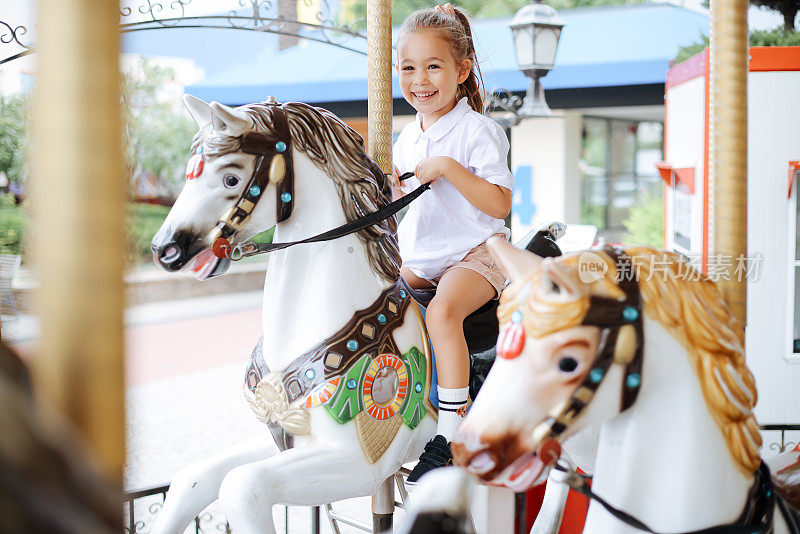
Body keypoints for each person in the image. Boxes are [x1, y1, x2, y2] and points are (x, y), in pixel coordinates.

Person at [392, 3, 513, 483]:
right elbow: (407, 195)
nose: (420, 79)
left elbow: (499, 203)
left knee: (443, 312)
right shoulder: (407, 136)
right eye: (408, 67)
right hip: (425, 252)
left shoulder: (479, 130)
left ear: (462, 71)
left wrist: (449, 168)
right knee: (379, 302)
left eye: (433, 66)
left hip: (477, 250)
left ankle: (449, 429)